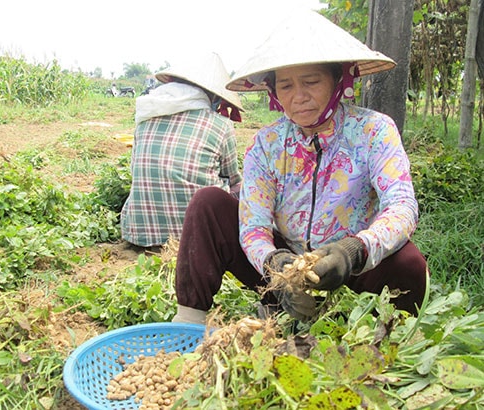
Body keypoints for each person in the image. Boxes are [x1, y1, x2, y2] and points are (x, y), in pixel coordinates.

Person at [172, 10, 429, 324]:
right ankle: (188, 322)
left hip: (350, 270)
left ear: (339, 79)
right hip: (284, 275)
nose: (299, 97)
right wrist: (277, 264)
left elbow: (402, 205)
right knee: (207, 204)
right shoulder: (266, 145)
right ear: (274, 92)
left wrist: (354, 251)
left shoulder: (373, 131)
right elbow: (254, 226)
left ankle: (383, 333)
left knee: (409, 263)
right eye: (286, 86)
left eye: (311, 81)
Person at [120, 52, 244, 248]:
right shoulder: (221, 125)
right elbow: (234, 180)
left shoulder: (144, 119)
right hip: (198, 237)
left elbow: (136, 171)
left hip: (139, 233)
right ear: (211, 94)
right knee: (240, 192)